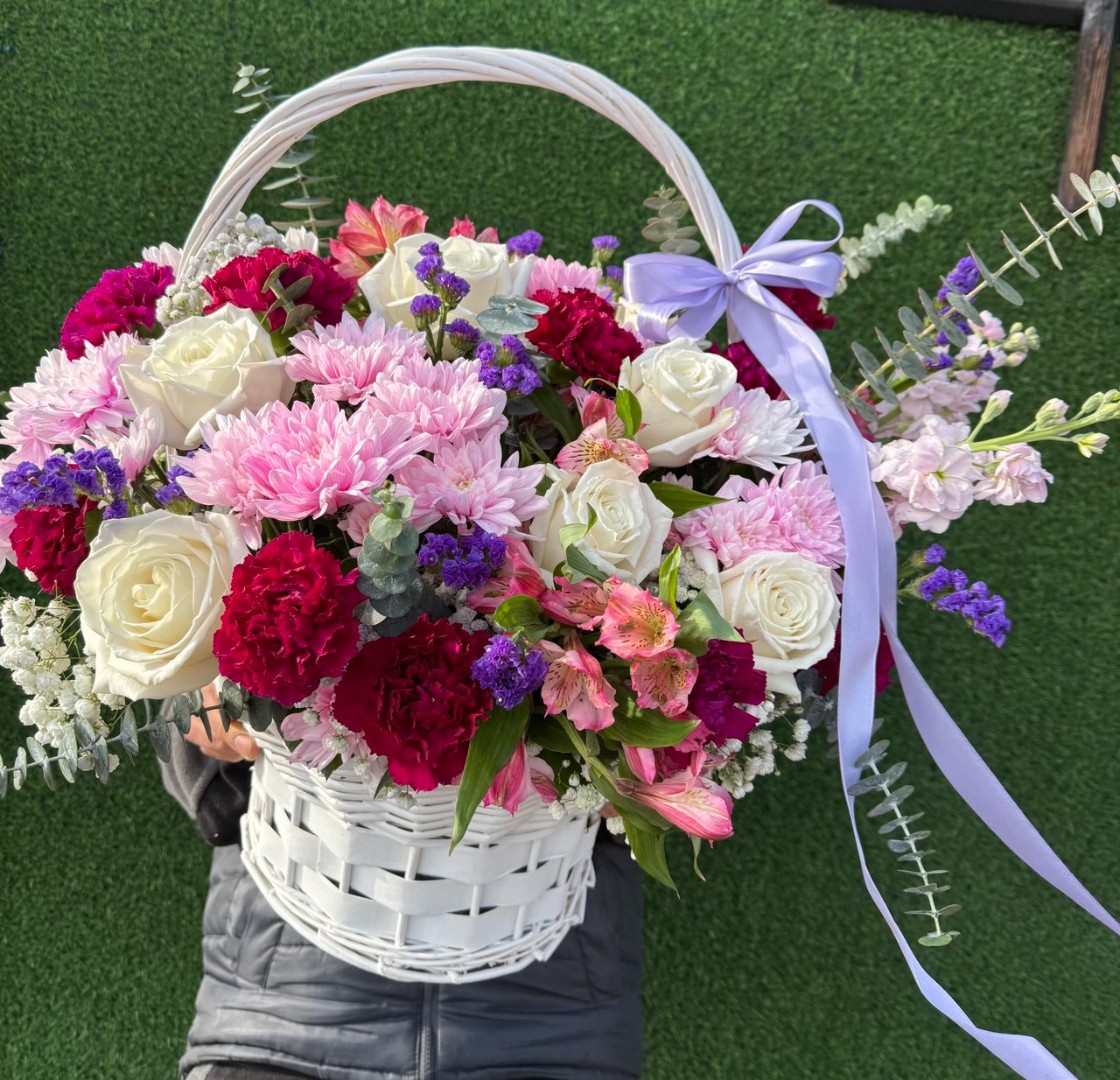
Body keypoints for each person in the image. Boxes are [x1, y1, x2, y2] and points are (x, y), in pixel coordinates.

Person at [160, 691, 644, 1080]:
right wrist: (206, 714)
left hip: (552, 1020)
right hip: (281, 1013)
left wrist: (642, 776)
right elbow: (182, 668)